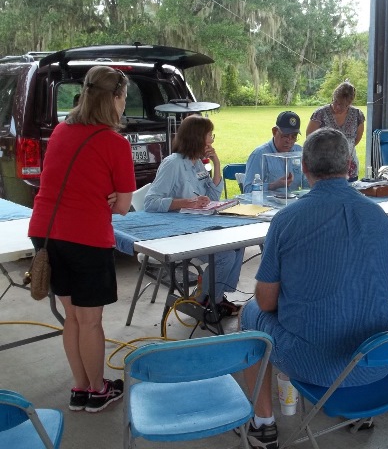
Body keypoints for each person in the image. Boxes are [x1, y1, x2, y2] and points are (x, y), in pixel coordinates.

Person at [240, 128, 388, 449]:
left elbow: (266, 301)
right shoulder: (379, 217)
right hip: (380, 359)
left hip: (317, 363)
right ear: (350, 166)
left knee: (249, 313)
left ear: (302, 166)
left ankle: (263, 423)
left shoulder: (287, 219)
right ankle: (362, 412)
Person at [28, 66, 136, 413]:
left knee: (72, 317)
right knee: (90, 321)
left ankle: (81, 388)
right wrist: (108, 195)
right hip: (86, 237)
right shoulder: (114, 142)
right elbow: (123, 206)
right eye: (124, 98)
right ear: (116, 99)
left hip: (45, 232)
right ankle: (99, 389)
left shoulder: (61, 130)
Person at [144, 115, 243, 317]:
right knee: (224, 256)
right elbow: (150, 202)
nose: (212, 140)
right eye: (209, 135)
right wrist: (185, 202)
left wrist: (216, 162)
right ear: (198, 137)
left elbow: (213, 195)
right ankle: (207, 300)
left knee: (238, 244)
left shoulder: (197, 163)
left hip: (200, 226)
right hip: (178, 233)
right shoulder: (172, 163)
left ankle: (214, 297)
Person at [306, 81, 364, 182]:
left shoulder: (357, 115)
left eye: (343, 105)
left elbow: (357, 139)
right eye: (335, 102)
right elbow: (310, 138)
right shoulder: (320, 114)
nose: (337, 107)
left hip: (350, 169)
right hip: (324, 168)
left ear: (349, 103)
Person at [243, 111, 306, 194]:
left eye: (294, 137)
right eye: (285, 136)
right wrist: (274, 185)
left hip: (296, 203)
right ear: (274, 131)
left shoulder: (299, 151)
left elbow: (307, 183)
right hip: (270, 205)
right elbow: (248, 190)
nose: (289, 141)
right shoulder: (259, 154)